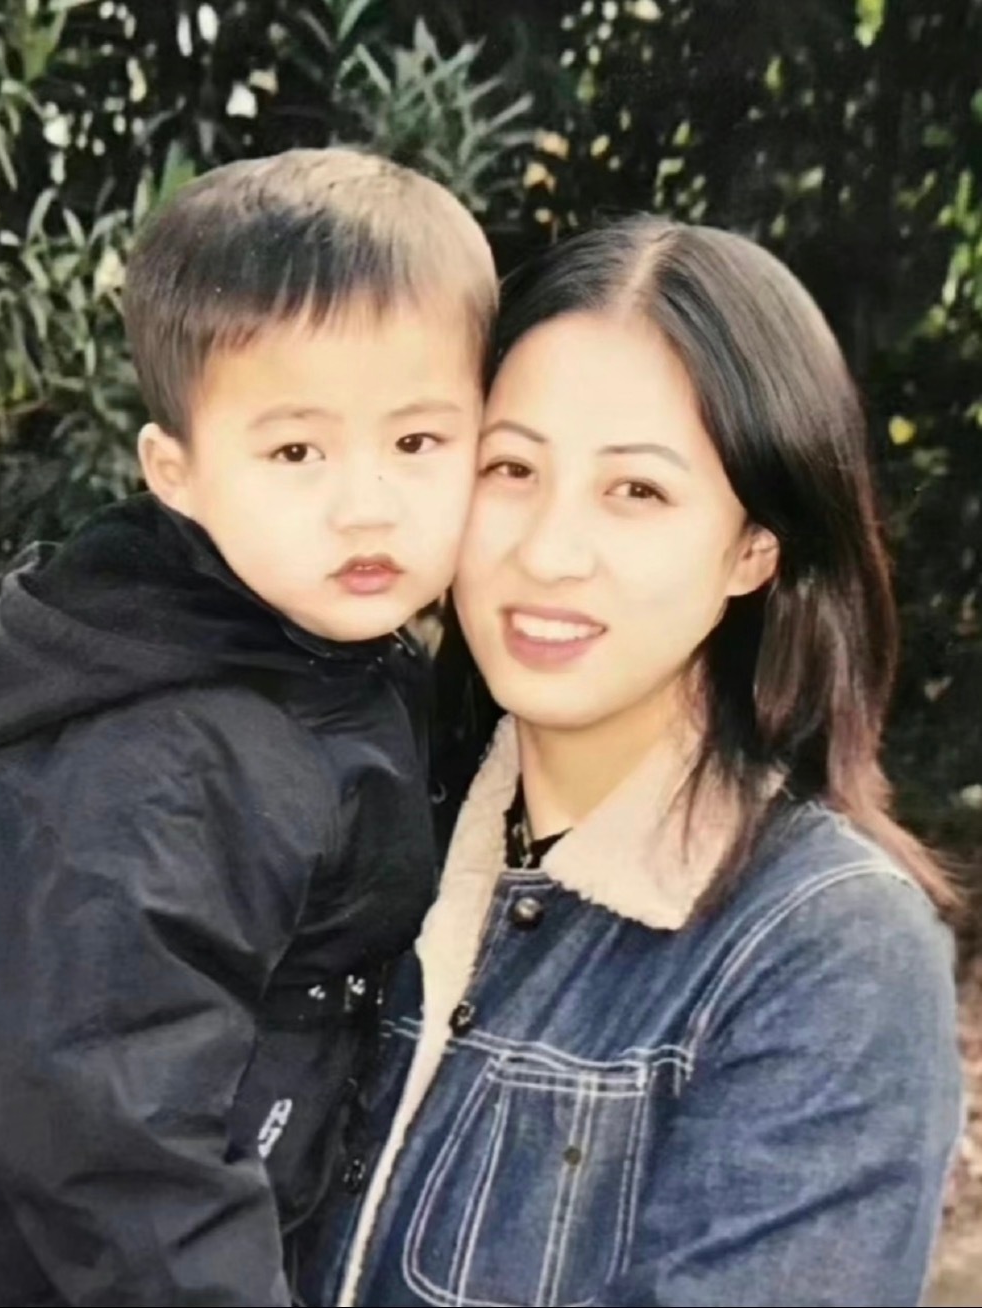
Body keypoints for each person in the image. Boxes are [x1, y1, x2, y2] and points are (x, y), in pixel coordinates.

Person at [0, 147, 495, 1307]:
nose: (367, 504)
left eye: (416, 442)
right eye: (295, 451)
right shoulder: (154, 755)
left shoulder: (318, 649)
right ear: (175, 472)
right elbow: (119, 1147)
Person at [296, 216, 963, 1308]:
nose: (548, 551)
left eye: (637, 491)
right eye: (512, 468)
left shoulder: (828, 954)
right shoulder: (354, 824)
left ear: (753, 548)